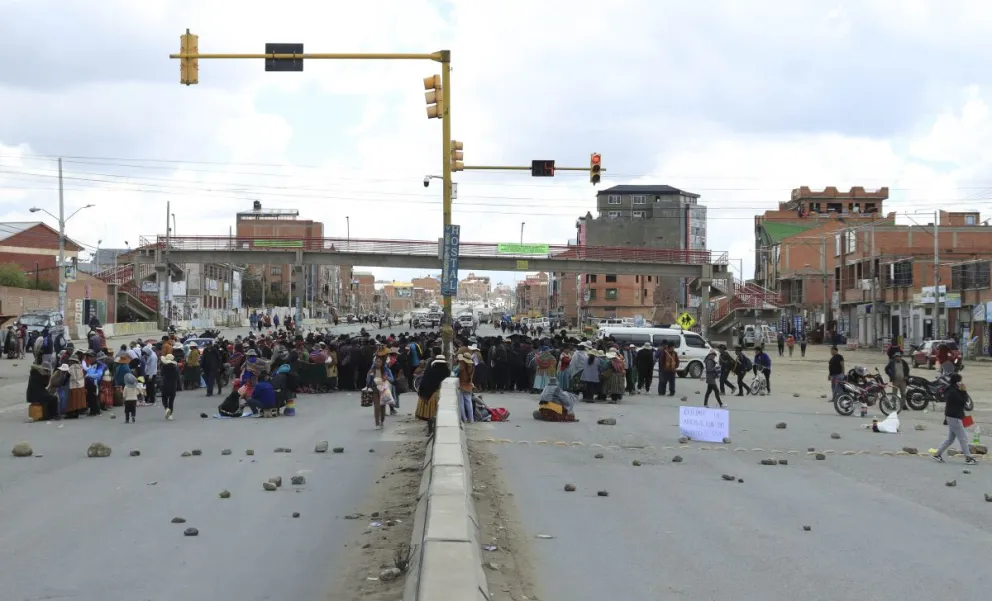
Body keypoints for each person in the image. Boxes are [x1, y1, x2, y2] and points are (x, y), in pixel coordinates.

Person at [931, 373, 977, 465]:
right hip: (954, 417)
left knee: (950, 439)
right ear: (957, 381)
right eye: (960, 381)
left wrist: (961, 391)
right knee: (963, 438)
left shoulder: (951, 389)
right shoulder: (953, 391)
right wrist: (964, 391)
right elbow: (963, 402)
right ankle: (968, 458)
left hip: (952, 416)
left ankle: (937, 454)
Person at [415, 355, 450, 436]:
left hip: (429, 395)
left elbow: (424, 383)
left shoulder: (430, 371)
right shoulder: (446, 371)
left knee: (430, 414)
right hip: (440, 394)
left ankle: (430, 430)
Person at [367, 352, 395, 429]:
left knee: (382, 406)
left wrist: (387, 378)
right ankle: (377, 423)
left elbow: (392, 379)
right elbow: (368, 379)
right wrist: (368, 386)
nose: (377, 363)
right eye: (376, 361)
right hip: (375, 389)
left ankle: (382, 421)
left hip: (384, 390)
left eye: (379, 361)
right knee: (377, 406)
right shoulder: (372, 369)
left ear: (382, 362)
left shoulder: (386, 370)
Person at [160, 353, 180, 420]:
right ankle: (170, 414)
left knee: (164, 398)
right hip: (173, 385)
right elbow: (178, 377)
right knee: (171, 400)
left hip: (165, 384)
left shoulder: (164, 366)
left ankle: (166, 408)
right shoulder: (175, 368)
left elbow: (162, 374)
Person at [456, 351, 475, 423]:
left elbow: (455, 371)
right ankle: (471, 419)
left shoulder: (462, 365)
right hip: (469, 385)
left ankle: (464, 418)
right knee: (469, 402)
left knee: (461, 403)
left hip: (461, 385)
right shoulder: (472, 366)